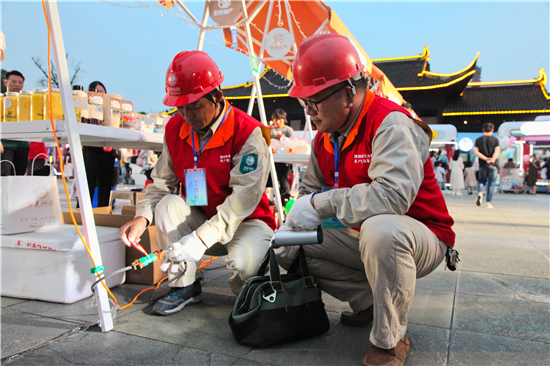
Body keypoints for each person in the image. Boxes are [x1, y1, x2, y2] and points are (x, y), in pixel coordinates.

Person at [278, 34, 455, 366]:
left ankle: (390, 340)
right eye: (304, 104)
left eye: (314, 101)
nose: (309, 112)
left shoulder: (391, 124)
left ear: (348, 92)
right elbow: (310, 195)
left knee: (382, 230)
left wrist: (320, 205)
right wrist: (295, 215)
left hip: (420, 235)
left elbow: (392, 196)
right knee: (294, 242)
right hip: (360, 234)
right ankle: (370, 303)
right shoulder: (324, 138)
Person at [120, 50, 276, 316]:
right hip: (202, 216)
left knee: (244, 266)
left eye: (193, 107)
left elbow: (244, 199)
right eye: (180, 107)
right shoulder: (174, 129)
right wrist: (142, 218)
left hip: (246, 221)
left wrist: (201, 239)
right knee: (168, 205)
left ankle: (252, 290)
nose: (187, 115)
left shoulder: (247, 131)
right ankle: (184, 285)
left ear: (217, 97)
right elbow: (161, 183)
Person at [80, 81, 117, 208]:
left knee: (105, 185)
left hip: (108, 151)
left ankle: (104, 211)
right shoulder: (86, 108)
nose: (101, 94)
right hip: (92, 149)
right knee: (88, 183)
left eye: (102, 91)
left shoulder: (110, 108)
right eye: (97, 92)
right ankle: (82, 211)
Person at [1, 70, 29, 176]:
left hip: (22, 145)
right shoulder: (1, 100)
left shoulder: (27, 102)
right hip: (5, 145)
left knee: (19, 177)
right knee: (4, 177)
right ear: (6, 83)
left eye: (20, 82)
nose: (17, 85)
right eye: (13, 81)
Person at [267, 108, 294, 202]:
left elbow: (293, 143)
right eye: (275, 119)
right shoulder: (271, 130)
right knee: (268, 179)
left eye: (279, 119)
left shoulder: (288, 130)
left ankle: (285, 199)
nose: (277, 121)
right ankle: (268, 199)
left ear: (284, 119)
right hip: (272, 158)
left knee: (283, 179)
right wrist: (266, 131)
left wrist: (282, 138)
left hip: (284, 159)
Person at [474, 122, 500, 208]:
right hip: (493, 165)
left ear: (483, 130)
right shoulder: (495, 140)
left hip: (482, 165)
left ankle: (480, 193)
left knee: (482, 181)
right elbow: (497, 151)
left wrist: (485, 159)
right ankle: (488, 202)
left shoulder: (478, 140)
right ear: (493, 130)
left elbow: (476, 152)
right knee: (491, 183)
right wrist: (491, 160)